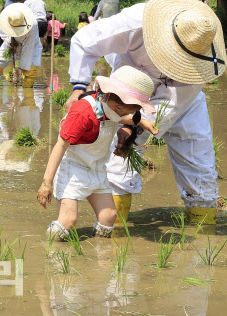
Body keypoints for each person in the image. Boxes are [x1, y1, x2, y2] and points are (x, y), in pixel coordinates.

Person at [66, 0, 227, 224]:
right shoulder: (136, 23)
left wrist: (134, 128)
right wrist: (79, 86)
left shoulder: (203, 58)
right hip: (126, 93)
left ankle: (203, 232)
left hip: (183, 105)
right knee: (119, 160)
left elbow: (170, 105)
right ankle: (114, 233)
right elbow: (85, 41)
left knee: (200, 169)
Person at [37, 66, 157, 240]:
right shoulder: (82, 112)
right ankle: (49, 247)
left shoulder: (112, 109)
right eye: (122, 110)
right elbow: (60, 146)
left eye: (131, 111)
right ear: (109, 95)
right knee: (68, 220)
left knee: (108, 217)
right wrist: (46, 183)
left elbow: (117, 116)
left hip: (97, 168)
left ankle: (100, 254)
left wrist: (142, 122)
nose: (123, 115)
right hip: (72, 169)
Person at [0, 3, 42, 88]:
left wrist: (20, 69)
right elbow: (3, 33)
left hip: (32, 47)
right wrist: (10, 42)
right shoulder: (7, 18)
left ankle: (27, 95)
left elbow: (28, 50)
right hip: (11, 43)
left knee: (29, 71)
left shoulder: (32, 26)